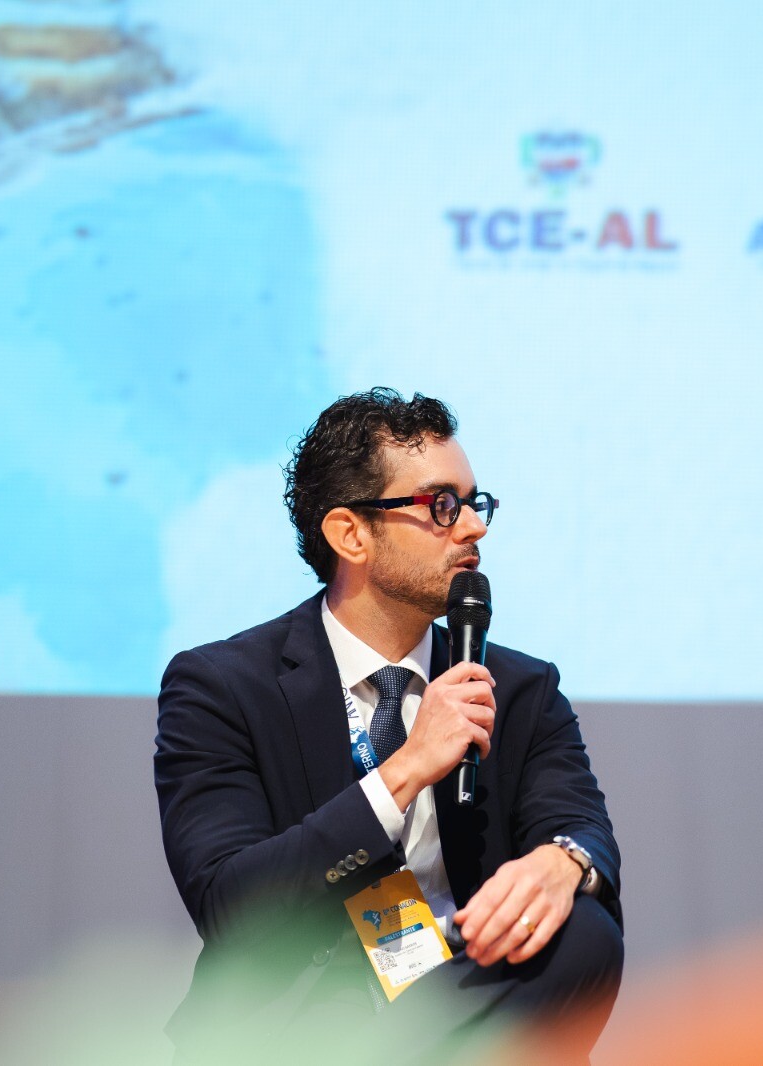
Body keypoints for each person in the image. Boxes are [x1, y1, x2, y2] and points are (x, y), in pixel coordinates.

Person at [155, 388, 622, 1062]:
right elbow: (233, 909)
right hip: (303, 1017)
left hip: (463, 992)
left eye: (475, 503)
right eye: (441, 505)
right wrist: (405, 769)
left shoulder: (521, 688)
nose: (474, 528)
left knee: (585, 932)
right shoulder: (223, 686)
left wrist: (563, 861)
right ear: (351, 534)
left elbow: (580, 825)